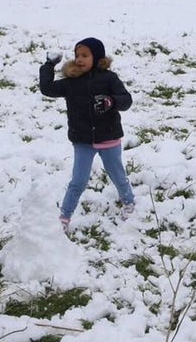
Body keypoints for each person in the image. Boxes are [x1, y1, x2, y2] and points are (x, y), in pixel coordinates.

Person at [39, 37, 134, 233]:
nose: (79, 59)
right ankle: (64, 216)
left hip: (108, 137)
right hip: (82, 140)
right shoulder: (71, 82)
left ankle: (129, 201)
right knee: (78, 181)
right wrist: (49, 65)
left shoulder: (109, 78)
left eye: (85, 55)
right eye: (77, 55)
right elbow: (47, 89)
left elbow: (126, 100)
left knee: (117, 174)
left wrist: (111, 101)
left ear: (97, 57)